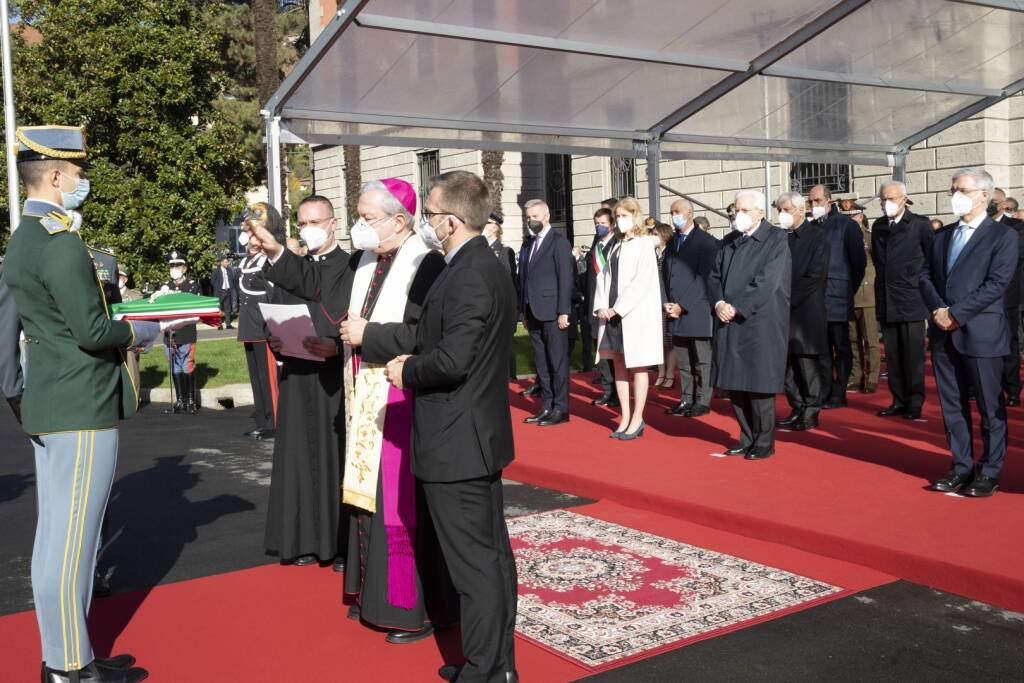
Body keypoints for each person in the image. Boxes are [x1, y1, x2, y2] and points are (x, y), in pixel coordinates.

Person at [346, 170, 519, 682]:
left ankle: (489, 669)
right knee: (487, 560)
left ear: (449, 220)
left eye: (429, 215)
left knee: (476, 567)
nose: (425, 223)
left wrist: (406, 370)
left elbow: (450, 357)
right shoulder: (472, 263)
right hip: (470, 435)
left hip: (458, 439)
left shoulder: (470, 271)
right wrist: (374, 337)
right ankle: (495, 663)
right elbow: (426, 331)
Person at [4, 124, 160, 683]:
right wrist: (140, 333)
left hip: (53, 399)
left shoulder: (25, 238)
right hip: (80, 402)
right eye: (78, 173)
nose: (83, 182)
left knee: (55, 538)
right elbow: (94, 331)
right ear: (53, 176)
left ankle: (67, 652)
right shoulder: (60, 242)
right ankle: (70, 666)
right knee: (75, 542)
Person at [256, 195, 351, 569]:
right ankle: (304, 539)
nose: (308, 229)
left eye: (315, 221)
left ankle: (343, 543)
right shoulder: (293, 267)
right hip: (297, 373)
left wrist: (336, 347)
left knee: (336, 460)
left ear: (333, 223)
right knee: (299, 459)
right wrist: (274, 339)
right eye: (302, 222)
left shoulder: (352, 265)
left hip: (333, 377)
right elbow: (277, 310)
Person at [922, 168, 1018, 497]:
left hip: (981, 333)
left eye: (961, 189)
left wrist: (957, 314)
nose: (955, 195)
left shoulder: (1003, 236)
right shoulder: (943, 235)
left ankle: (989, 470)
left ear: (983, 196)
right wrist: (938, 310)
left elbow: (997, 284)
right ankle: (961, 466)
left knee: (990, 407)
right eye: (953, 189)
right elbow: (925, 276)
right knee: (952, 406)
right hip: (943, 332)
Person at [709, 190, 791, 460]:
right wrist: (719, 303)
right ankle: (746, 437)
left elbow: (768, 282)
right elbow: (714, 277)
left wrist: (738, 307)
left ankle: (764, 442)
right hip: (729, 321)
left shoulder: (777, 239)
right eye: (735, 210)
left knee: (759, 385)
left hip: (759, 323)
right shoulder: (729, 242)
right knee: (735, 383)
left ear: (759, 212)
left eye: (744, 211)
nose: (737, 216)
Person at [593, 197, 664, 440]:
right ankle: (624, 416)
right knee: (619, 364)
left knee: (638, 365)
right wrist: (601, 305)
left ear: (635, 216)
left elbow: (641, 282)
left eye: (624, 216)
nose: (620, 221)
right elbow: (603, 277)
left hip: (632, 315)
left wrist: (618, 308)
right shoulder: (616, 244)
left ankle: (637, 418)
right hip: (612, 315)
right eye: (618, 216)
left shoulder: (644, 244)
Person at [871, 181, 933, 420]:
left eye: (892, 198)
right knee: (894, 356)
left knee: (913, 356)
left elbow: (931, 259)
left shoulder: (920, 224)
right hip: (887, 298)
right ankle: (898, 400)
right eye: (883, 199)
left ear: (904, 199)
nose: (887, 203)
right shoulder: (878, 226)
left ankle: (914, 402)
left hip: (911, 299)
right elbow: (878, 260)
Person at [774, 191, 828, 432]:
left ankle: (810, 410)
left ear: (799, 209)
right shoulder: (779, 238)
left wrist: (787, 299)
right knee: (787, 366)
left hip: (805, 311)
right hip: (781, 311)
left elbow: (815, 276)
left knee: (806, 364)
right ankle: (796, 407)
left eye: (785, 209)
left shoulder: (817, 236)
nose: (781, 215)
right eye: (779, 210)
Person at [809, 185, 866, 409]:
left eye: (817, 201)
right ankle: (825, 389)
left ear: (829, 201)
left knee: (841, 347)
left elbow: (858, 263)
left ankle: (839, 391)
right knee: (821, 349)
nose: (813, 206)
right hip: (816, 299)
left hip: (838, 296)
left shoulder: (846, 226)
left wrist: (846, 288)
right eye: (811, 202)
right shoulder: (811, 227)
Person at [518, 198, 574, 426]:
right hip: (533, 312)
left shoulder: (558, 242)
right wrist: (523, 311)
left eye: (535, 217)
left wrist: (564, 311)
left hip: (553, 312)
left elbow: (565, 278)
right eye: (528, 218)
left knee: (557, 362)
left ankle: (561, 408)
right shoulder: (529, 244)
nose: (531, 221)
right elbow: (524, 279)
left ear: (547, 216)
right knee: (541, 362)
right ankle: (547, 405)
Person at [662, 198, 717, 418]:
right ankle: (686, 398)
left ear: (689, 213)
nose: (674, 215)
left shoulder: (706, 242)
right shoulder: (673, 241)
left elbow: (704, 278)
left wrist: (682, 305)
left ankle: (703, 400)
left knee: (702, 359)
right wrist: (666, 301)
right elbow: (665, 274)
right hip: (673, 310)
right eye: (671, 212)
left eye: (677, 211)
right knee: (683, 360)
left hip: (696, 309)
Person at [236, 204, 278, 441]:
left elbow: (272, 295)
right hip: (249, 326)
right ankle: (262, 420)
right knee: (255, 377)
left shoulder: (265, 262)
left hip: (263, 326)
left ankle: (273, 420)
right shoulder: (247, 261)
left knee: (266, 377)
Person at [989, 188, 1024, 406]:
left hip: (1007, 295)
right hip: (980, 297)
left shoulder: (1017, 227)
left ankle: (1011, 389)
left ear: (1003, 204)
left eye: (994, 202)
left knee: (1009, 342)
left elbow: (1013, 257)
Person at [841, 200, 880, 394]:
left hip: (867, 294)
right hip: (848, 294)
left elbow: (878, 265)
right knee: (852, 340)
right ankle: (856, 376)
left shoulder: (869, 238)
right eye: (845, 216)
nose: (849, 219)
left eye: (852, 216)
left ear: (861, 216)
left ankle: (872, 377)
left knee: (870, 340)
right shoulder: (839, 236)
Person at [586, 207, 620, 407]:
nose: (599, 227)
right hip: (594, 303)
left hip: (610, 306)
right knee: (599, 349)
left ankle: (615, 392)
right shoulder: (597, 244)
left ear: (612, 225)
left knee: (611, 351)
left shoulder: (617, 245)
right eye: (597, 223)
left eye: (603, 224)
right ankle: (607, 389)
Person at [162, 250, 201, 415]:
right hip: (169, 334)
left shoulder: (193, 285)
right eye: (171, 265)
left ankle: (191, 401)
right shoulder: (165, 287)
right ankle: (179, 401)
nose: (174, 268)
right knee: (175, 368)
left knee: (187, 366)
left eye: (177, 265)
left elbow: (196, 310)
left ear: (184, 268)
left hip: (186, 332)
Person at [484, 212, 520, 379]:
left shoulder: (505, 252)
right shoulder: (481, 250)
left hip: (502, 309)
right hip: (486, 309)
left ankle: (510, 378)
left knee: (505, 349)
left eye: (487, 223)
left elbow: (509, 282)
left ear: (494, 228)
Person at [651, 222, 677, 389]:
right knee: (657, 341)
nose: (652, 237)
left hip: (667, 300)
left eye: (655, 234)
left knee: (669, 341)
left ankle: (670, 374)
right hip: (653, 301)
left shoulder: (670, 253)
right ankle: (661, 372)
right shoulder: (652, 252)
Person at [212, 253, 234, 329]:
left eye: (227, 262)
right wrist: (217, 289)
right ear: (221, 262)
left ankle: (228, 324)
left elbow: (231, 280)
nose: (227, 263)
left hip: (227, 290)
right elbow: (213, 281)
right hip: (220, 291)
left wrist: (230, 288)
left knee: (227, 308)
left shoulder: (229, 271)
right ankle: (219, 324)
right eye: (225, 262)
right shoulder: (216, 271)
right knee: (219, 308)